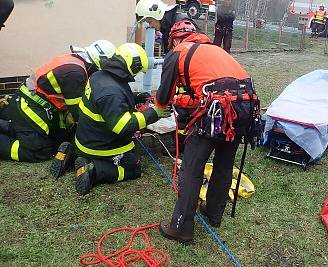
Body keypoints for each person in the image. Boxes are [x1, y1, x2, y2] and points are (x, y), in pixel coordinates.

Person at [154, 19, 258, 244]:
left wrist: (161, 106)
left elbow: (162, 100)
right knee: (224, 161)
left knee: (192, 165)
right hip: (245, 103)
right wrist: (182, 99)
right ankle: (214, 212)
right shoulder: (214, 50)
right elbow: (208, 89)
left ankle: (181, 227)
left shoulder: (178, 52)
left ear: (175, 39)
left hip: (219, 107)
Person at [72, 43, 165, 196]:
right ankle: (93, 170)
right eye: (137, 71)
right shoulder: (111, 92)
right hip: (99, 147)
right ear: (133, 67)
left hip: (86, 138)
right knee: (133, 167)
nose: (136, 76)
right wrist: (154, 113)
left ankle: (72, 156)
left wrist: (136, 98)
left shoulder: (99, 76)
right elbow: (123, 126)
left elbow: (111, 102)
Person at [0, 41, 116, 164]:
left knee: (60, 141)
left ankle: (10, 126)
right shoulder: (75, 73)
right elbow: (77, 112)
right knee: (38, 150)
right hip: (30, 105)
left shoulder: (75, 61)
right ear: (98, 62)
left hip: (42, 105)